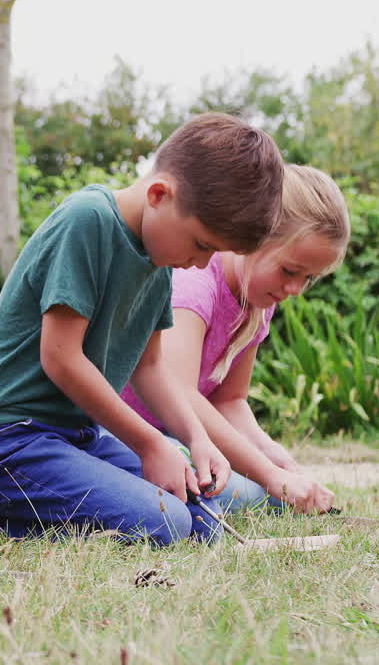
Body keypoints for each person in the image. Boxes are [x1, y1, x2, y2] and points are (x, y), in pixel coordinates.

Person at [0, 113, 284, 545]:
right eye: (202, 244)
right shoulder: (87, 220)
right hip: (7, 442)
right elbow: (61, 358)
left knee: (204, 522)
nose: (202, 264)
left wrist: (196, 439)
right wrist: (151, 445)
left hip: (76, 438)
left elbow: (148, 368)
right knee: (165, 523)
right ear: (159, 194)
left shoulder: (160, 262)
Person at [121, 164, 348, 515]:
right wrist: (267, 474)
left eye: (309, 279)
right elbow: (182, 395)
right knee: (247, 492)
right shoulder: (195, 284)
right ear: (252, 239)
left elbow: (230, 400)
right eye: (289, 271)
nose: (295, 290)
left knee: (269, 494)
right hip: (133, 436)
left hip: (184, 442)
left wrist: (274, 457)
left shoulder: (258, 301)